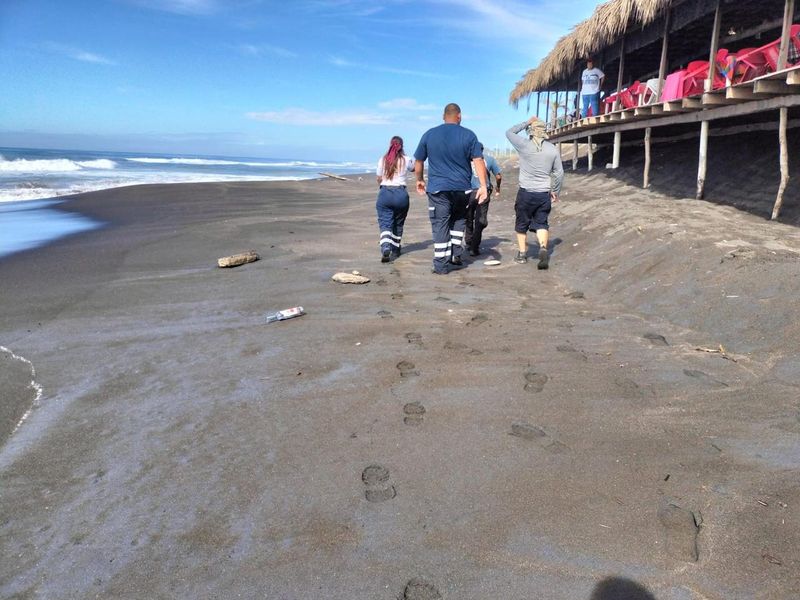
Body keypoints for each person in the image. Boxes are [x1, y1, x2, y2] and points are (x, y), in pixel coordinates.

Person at [414, 103, 487, 275]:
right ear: (459, 116)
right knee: (458, 220)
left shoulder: (429, 134)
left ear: (443, 116)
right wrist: (483, 185)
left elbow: (418, 161)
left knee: (441, 223)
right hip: (462, 189)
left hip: (438, 189)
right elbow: (478, 160)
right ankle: (455, 255)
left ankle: (441, 265)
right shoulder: (469, 135)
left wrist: (419, 180)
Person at [505, 117, 563, 270]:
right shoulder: (552, 149)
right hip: (543, 193)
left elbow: (509, 132)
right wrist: (555, 191)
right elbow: (559, 173)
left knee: (521, 223)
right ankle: (543, 247)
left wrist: (526, 121)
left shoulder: (524, 145)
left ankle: (522, 254)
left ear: (531, 131)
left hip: (526, 193)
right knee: (542, 223)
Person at [375, 136, 414, 262]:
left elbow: (379, 178)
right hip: (401, 193)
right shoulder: (406, 159)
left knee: (385, 223)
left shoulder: (383, 159)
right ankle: (396, 249)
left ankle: (385, 247)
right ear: (402, 146)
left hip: (385, 192)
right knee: (398, 222)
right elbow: (414, 169)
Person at [465, 145, 502, 256]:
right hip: (484, 191)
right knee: (480, 220)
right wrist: (498, 187)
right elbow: (498, 176)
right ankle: (474, 247)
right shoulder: (490, 159)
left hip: (469, 192)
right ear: (482, 150)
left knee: (469, 217)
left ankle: (468, 242)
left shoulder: (466, 159)